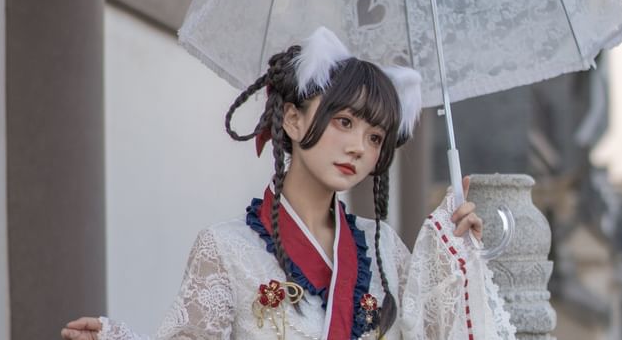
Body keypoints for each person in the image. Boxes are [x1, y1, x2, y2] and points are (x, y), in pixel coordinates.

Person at [62, 28, 514, 339]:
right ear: (293, 120)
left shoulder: (385, 248)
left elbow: (431, 332)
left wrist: (453, 256)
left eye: (375, 137)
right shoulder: (225, 250)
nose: (359, 146)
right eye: (343, 122)